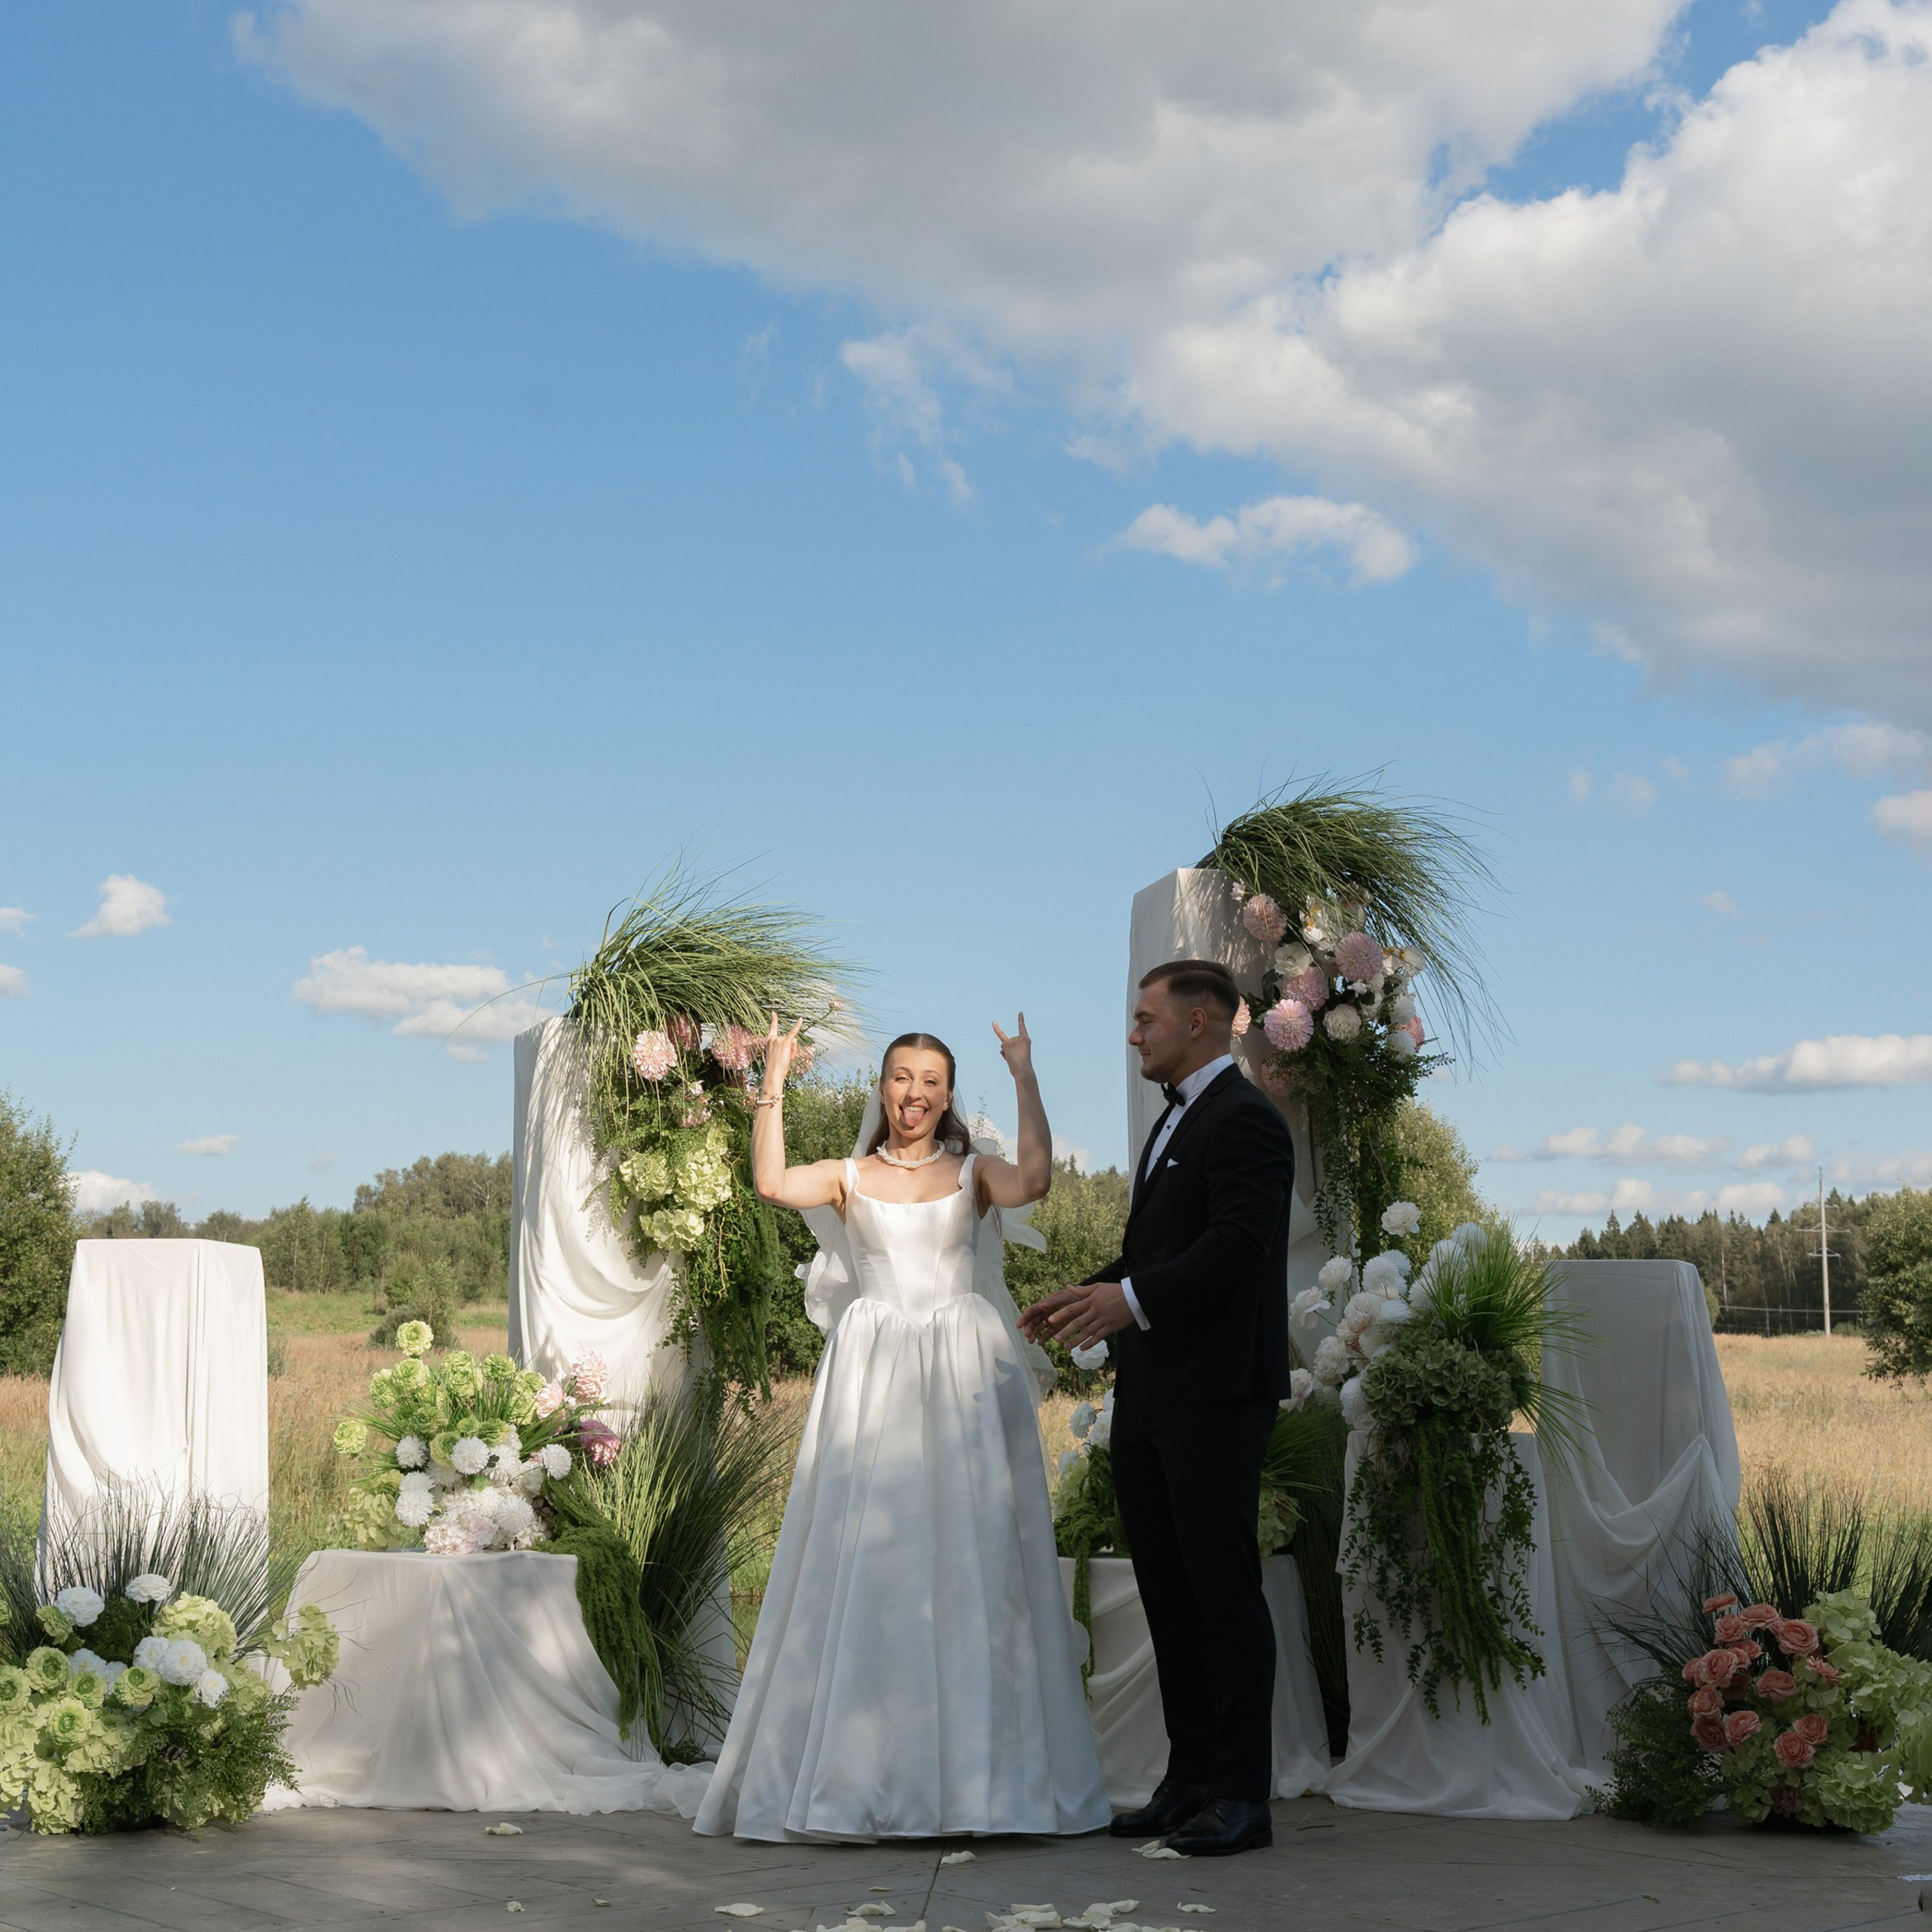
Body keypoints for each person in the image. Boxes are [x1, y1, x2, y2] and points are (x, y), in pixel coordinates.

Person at [692, 1014, 1109, 1843]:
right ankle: (861, 1771)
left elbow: (1034, 1180)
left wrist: (1024, 1073)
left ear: (947, 1096)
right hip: (873, 1372)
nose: (913, 1093)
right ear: (881, 1088)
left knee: (974, 1554)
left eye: (930, 1082)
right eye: (900, 1077)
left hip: (963, 1371)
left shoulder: (972, 1173)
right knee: (866, 1553)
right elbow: (770, 1183)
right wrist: (772, 1080)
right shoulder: (848, 1175)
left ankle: (981, 1782)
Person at [1020, 958, 1295, 1857]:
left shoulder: (1246, 1118)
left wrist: (1129, 1300)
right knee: (1169, 1595)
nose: (1133, 1033)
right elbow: (1161, 1249)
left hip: (1215, 1392)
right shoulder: (1172, 1120)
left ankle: (1242, 1796)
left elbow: (1238, 1246)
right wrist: (1089, 1292)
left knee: (1221, 1593)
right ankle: (1188, 1782)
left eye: (1145, 1018)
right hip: (1151, 1392)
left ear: (1199, 1022)